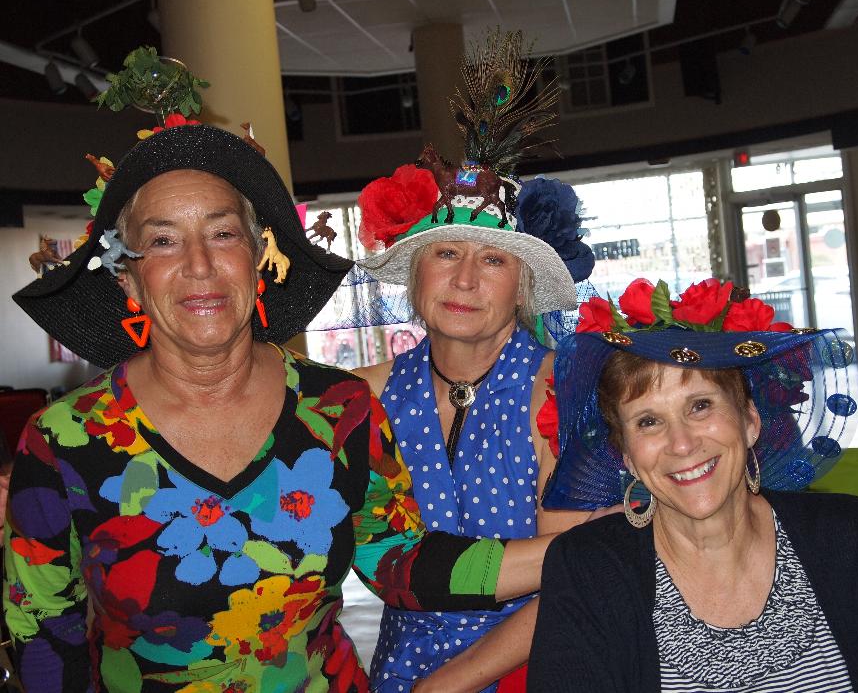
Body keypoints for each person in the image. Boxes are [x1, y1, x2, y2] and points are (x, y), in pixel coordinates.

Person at [4, 114, 554, 692]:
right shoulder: (65, 439)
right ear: (129, 280)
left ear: (259, 256)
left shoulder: (339, 408)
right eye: (163, 240)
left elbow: (404, 563)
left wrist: (582, 543)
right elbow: (42, 633)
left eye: (222, 234)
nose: (199, 265)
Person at [528, 277, 858, 692]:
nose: (681, 443)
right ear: (626, 454)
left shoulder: (851, 536)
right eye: (648, 421)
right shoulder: (586, 570)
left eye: (700, 406)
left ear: (750, 421)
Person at [351, 32, 599, 692]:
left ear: (521, 286)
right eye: (446, 253)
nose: (464, 280)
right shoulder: (361, 397)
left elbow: (578, 579)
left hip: (536, 671)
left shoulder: (560, 391)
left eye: (492, 259)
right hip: (399, 674)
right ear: (416, 275)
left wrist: (446, 685)